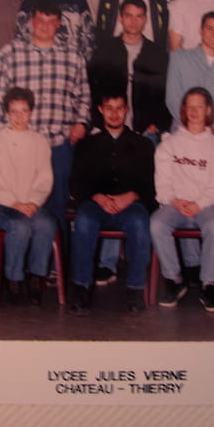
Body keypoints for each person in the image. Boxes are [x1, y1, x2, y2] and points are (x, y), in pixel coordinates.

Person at [0, 2, 90, 238]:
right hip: (20, 147)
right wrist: (7, 134)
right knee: (22, 205)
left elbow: (83, 95)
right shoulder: (11, 52)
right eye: (40, 20)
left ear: (59, 24)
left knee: (57, 207)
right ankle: (25, 255)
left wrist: (81, 123)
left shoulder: (73, 55)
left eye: (51, 22)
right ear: (32, 22)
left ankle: (56, 259)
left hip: (58, 144)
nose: (45, 26)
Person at [68, 91, 155, 314]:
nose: (114, 114)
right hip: (96, 204)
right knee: (84, 219)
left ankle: (135, 289)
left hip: (130, 204)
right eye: (109, 108)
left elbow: (151, 185)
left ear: (127, 110)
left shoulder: (143, 145)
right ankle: (82, 287)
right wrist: (97, 196)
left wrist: (132, 196)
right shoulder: (87, 145)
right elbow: (76, 183)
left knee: (139, 222)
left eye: (119, 108)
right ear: (100, 110)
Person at [151, 87, 214, 312]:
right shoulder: (169, 143)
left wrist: (198, 204)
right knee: (157, 223)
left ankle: (209, 283)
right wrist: (174, 201)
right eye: (189, 106)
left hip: (206, 205)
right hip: (176, 204)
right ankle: (174, 279)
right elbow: (162, 184)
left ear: (208, 110)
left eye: (199, 106)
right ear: (183, 110)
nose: (194, 111)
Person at [0, 87, 55, 306]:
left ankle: (36, 277)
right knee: (20, 226)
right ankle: (13, 279)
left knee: (46, 223)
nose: (19, 116)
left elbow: (45, 177)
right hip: (0, 204)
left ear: (31, 112)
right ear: (7, 113)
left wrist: (33, 201)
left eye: (24, 111)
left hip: (30, 204)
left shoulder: (39, 141)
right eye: (14, 111)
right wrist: (13, 202)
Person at [88, 0, 171, 141]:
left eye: (139, 16)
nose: (133, 22)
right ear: (120, 18)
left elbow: (165, 92)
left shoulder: (157, 54)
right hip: (109, 127)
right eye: (128, 16)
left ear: (145, 19)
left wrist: (157, 123)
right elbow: (92, 89)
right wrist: (98, 122)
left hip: (145, 131)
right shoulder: (105, 51)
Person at [165, 12, 214, 136]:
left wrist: (213, 128)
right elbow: (173, 98)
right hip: (181, 128)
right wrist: (190, 126)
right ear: (201, 30)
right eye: (209, 28)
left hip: (211, 133)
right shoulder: (179, 58)